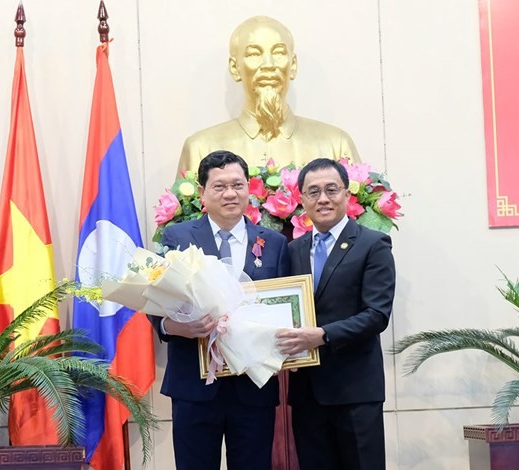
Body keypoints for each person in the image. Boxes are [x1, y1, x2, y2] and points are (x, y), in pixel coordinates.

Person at [150, 150, 290, 470]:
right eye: (219, 186)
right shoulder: (178, 237)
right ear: (202, 193)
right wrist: (175, 327)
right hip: (195, 386)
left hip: (253, 388)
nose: (230, 193)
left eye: (237, 184)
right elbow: (154, 303)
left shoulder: (274, 242)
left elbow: (283, 306)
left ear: (249, 188)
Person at [275, 158, 396, 470]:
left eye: (331, 190)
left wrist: (323, 335)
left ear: (347, 194)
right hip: (307, 393)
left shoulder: (373, 244)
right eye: (313, 192)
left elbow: (377, 315)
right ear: (301, 200)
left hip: (355, 391)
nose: (323, 199)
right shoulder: (293, 250)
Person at [177, 16, 360, 172]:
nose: (268, 65)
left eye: (279, 52)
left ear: (293, 65)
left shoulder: (336, 145)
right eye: (254, 54)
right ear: (235, 68)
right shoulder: (201, 149)